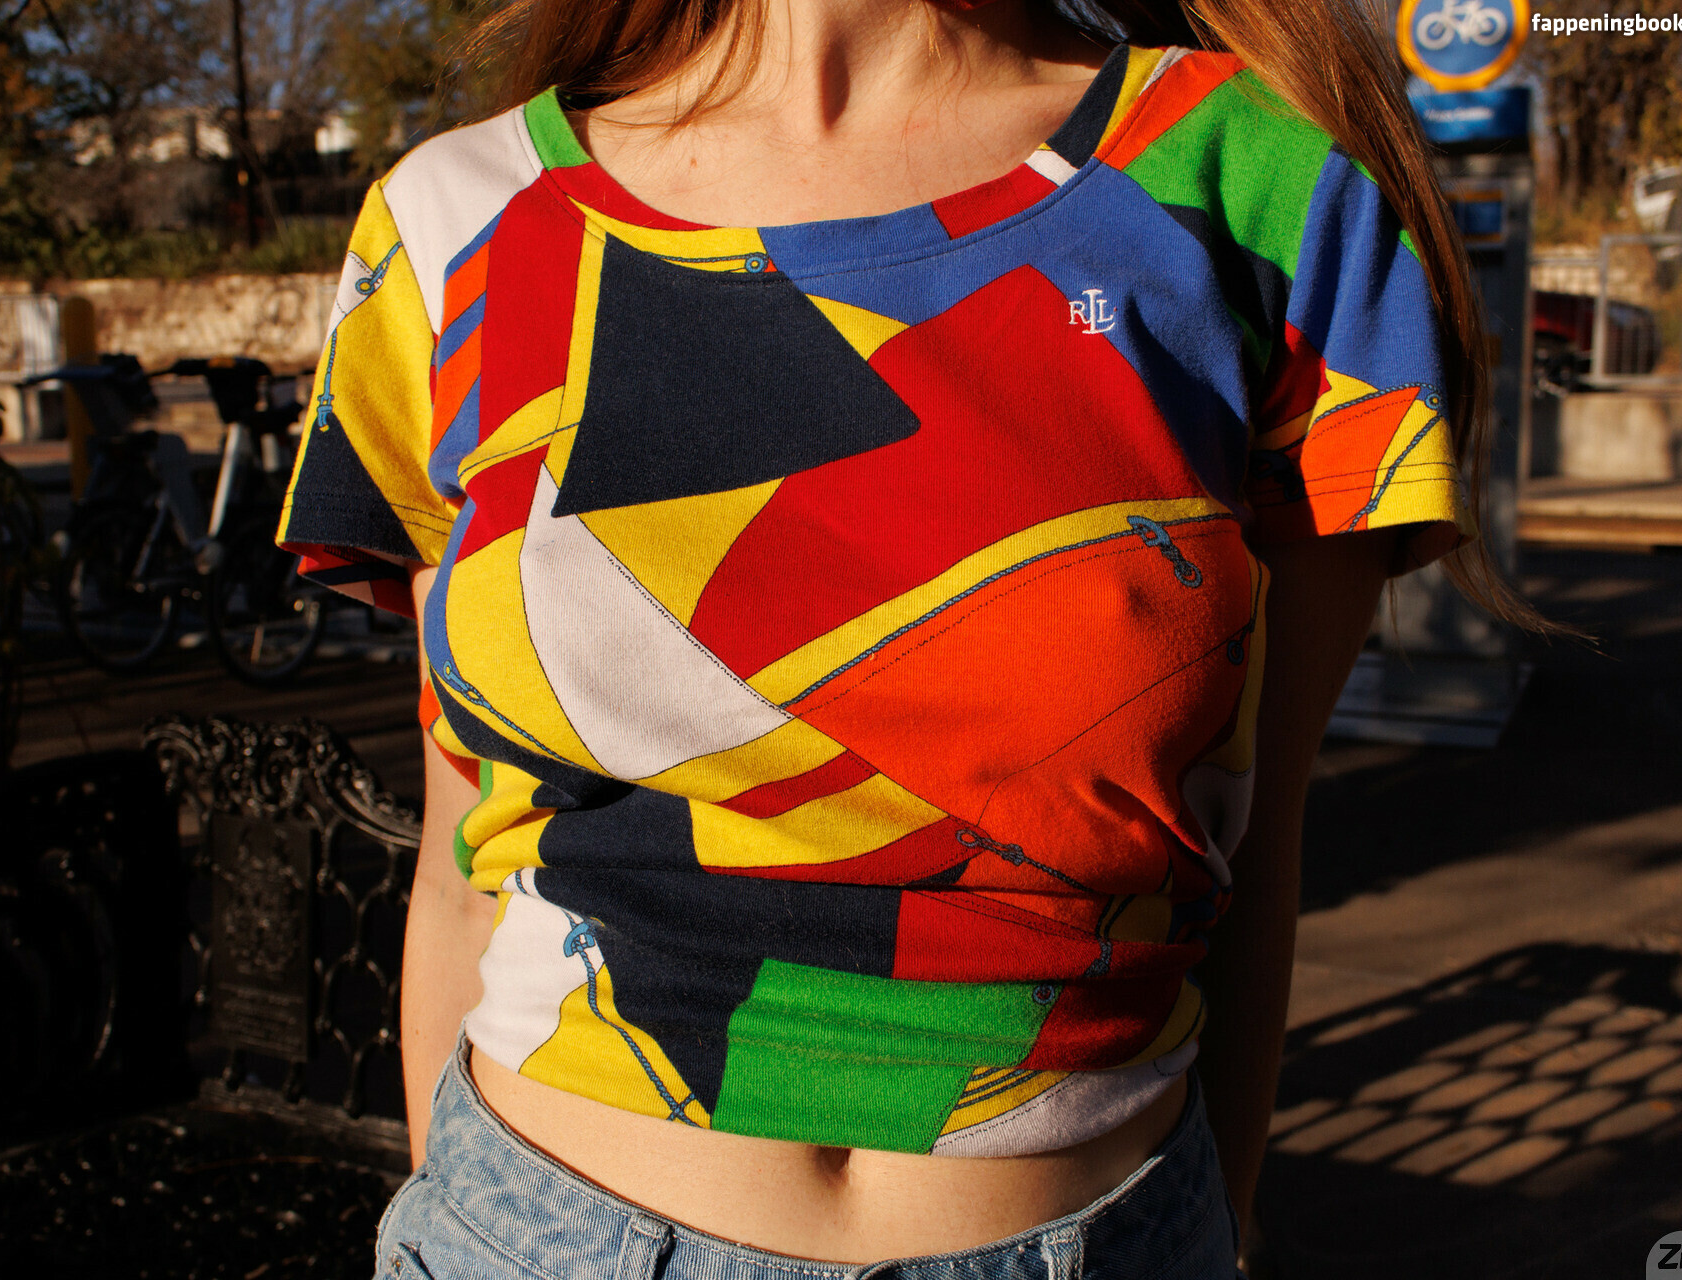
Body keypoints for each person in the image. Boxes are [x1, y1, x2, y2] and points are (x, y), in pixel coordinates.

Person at [278, 0, 1498, 1273]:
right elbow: (457, 866)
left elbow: (1257, 844)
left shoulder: (1260, 189)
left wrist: (1215, 1229)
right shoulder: (453, 221)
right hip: (534, 1232)